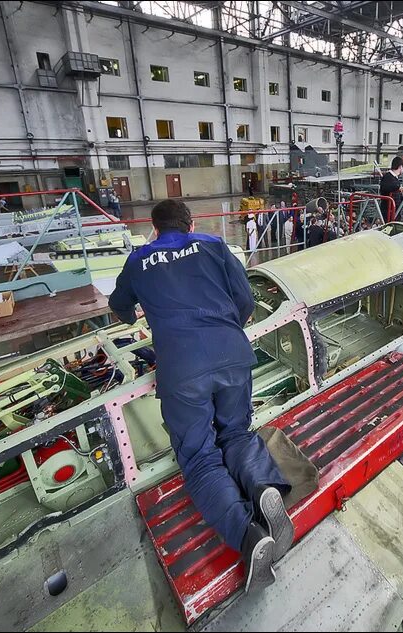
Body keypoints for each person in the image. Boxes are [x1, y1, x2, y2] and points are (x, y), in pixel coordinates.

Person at [108, 200, 292, 593]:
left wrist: (136, 316)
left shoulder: (138, 260)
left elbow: (119, 306)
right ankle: (264, 488)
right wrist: (225, 330)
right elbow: (244, 300)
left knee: (199, 457)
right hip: (232, 352)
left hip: (182, 369)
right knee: (237, 434)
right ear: (190, 224)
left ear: (156, 229)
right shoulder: (213, 244)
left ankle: (248, 535)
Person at [379, 156, 403, 221]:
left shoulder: (395, 178)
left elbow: (398, 194)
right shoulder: (387, 177)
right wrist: (398, 187)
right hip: (388, 210)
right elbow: (386, 187)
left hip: (395, 209)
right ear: (400, 167)